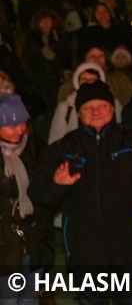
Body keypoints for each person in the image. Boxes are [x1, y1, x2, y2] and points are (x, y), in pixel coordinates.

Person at [29, 81, 132, 305]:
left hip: (128, 248)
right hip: (84, 251)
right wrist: (57, 184)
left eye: (102, 106)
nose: (96, 111)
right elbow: (38, 195)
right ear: (79, 113)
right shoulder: (63, 148)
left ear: (112, 109)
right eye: (89, 107)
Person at [0, 94, 53, 305]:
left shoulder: (35, 150)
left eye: (22, 123)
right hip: (4, 249)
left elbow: (44, 198)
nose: (19, 130)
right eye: (10, 125)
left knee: (29, 299)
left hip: (32, 243)